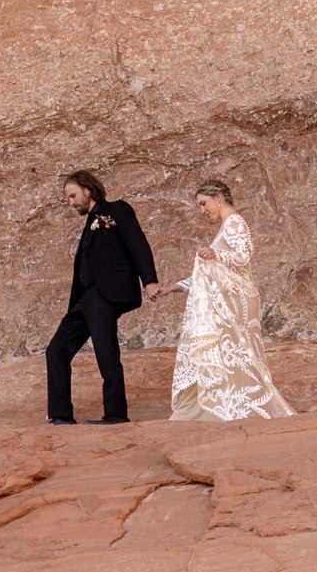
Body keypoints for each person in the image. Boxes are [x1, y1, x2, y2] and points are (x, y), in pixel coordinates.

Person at [168, 178, 294, 422]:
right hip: (229, 299)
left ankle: (246, 408)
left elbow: (243, 257)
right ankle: (232, 406)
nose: (202, 210)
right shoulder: (226, 225)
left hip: (238, 300)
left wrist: (215, 253)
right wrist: (174, 287)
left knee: (239, 353)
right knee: (230, 353)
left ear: (219, 198)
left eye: (204, 203)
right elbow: (211, 273)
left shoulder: (234, 221)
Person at [45, 169, 160, 424]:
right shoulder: (90, 222)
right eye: (68, 199)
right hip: (83, 298)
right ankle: (60, 415)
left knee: (105, 352)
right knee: (56, 350)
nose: (71, 203)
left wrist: (149, 281)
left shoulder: (116, 210)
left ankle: (116, 414)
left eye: (73, 196)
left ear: (88, 189)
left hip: (105, 294)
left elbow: (137, 243)